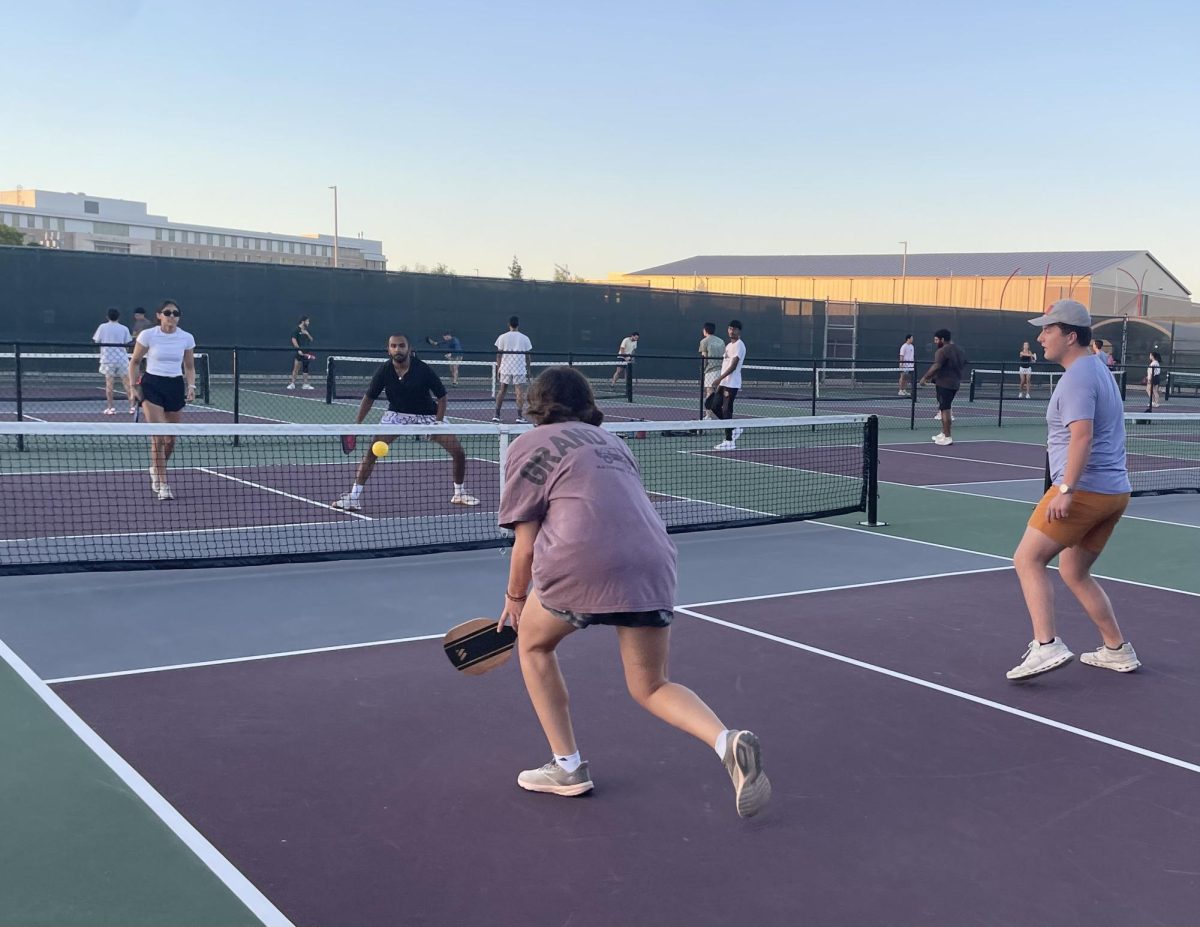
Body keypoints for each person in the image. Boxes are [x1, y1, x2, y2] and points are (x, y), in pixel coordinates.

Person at [497, 366, 771, 818]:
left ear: (536, 404)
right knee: (652, 685)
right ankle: (726, 742)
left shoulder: (527, 444)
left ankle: (566, 766)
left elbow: (525, 544)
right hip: (653, 562)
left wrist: (514, 599)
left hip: (578, 563)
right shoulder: (615, 443)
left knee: (533, 644)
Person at [1007, 299, 1138, 680]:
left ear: (1070, 335)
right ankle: (1117, 649)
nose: (1040, 336)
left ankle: (1046, 645)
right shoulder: (1097, 369)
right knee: (1074, 571)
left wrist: (1065, 488)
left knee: (1027, 560)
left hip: (1083, 490)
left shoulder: (1079, 376)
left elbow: (1082, 437)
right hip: (1113, 493)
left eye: (1048, 329)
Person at [332, 334, 479, 511]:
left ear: (409, 349)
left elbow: (442, 397)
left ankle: (459, 493)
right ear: (388, 349)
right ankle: (353, 498)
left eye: (401, 346)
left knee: (458, 452)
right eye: (393, 346)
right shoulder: (384, 370)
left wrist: (438, 423)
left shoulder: (423, 369)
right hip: (397, 415)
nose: (397, 349)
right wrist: (357, 425)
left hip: (428, 416)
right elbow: (369, 397)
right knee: (372, 452)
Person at [127, 301, 197, 501]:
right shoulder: (148, 335)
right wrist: (133, 388)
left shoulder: (186, 337)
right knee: (158, 436)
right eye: (168, 313)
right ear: (159, 315)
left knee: (171, 439)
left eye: (176, 313)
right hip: (151, 385)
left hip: (174, 386)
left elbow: (189, 366)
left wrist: (191, 386)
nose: (172, 316)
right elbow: (135, 362)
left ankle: (156, 469)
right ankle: (163, 483)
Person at [918, 329, 967, 446]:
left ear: (942, 339)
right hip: (954, 383)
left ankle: (948, 436)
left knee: (945, 410)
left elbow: (936, 366)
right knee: (944, 408)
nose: (935, 342)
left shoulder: (942, 351)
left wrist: (925, 377)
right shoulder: (960, 350)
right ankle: (944, 433)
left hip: (944, 384)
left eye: (936, 340)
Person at [709, 320, 746, 450]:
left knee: (726, 410)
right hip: (724, 383)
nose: (731, 331)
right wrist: (721, 382)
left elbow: (733, 365)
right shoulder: (729, 346)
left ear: (739, 331)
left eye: (734, 329)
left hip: (732, 383)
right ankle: (734, 428)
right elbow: (725, 365)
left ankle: (729, 441)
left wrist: (719, 379)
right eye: (730, 328)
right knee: (713, 406)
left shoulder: (740, 345)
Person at [92, 307, 134, 415]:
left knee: (109, 384)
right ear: (119, 317)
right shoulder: (124, 328)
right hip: (121, 359)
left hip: (108, 359)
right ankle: (132, 407)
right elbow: (127, 342)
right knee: (127, 384)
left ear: (107, 317)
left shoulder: (102, 327)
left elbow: (97, 340)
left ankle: (110, 408)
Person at [493, 316, 532, 423]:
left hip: (505, 367)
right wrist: (529, 370)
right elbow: (528, 357)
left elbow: (498, 355)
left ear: (508, 324)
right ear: (518, 325)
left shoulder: (502, 337)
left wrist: (498, 369)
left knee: (502, 390)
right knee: (519, 392)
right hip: (519, 368)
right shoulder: (525, 338)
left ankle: (496, 414)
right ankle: (519, 416)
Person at [698, 322, 725, 418]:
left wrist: (703, 369)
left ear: (705, 330)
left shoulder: (704, 341)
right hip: (721, 370)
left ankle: (708, 415)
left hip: (711, 370)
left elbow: (704, 358)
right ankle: (721, 413)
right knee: (719, 394)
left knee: (709, 393)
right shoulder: (721, 341)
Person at [287, 316, 315, 390]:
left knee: (306, 368)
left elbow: (311, 339)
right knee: (296, 368)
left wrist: (307, 334)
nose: (308, 323)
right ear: (303, 322)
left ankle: (305, 384)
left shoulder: (307, 330)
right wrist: (298, 349)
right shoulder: (296, 330)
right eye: (307, 321)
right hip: (299, 352)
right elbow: (294, 340)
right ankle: (292, 384)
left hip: (307, 352)